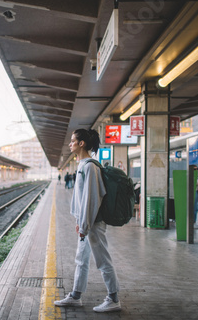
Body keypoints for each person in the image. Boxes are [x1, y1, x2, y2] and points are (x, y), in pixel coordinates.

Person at [54, 128, 121, 313]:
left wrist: (84, 225)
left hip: (93, 224)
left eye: (72, 140)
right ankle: (76, 295)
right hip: (86, 223)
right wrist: (80, 222)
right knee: (81, 260)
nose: (70, 144)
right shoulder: (83, 165)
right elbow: (83, 200)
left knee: (102, 260)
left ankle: (114, 298)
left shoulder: (90, 166)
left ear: (81, 143)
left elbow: (92, 199)